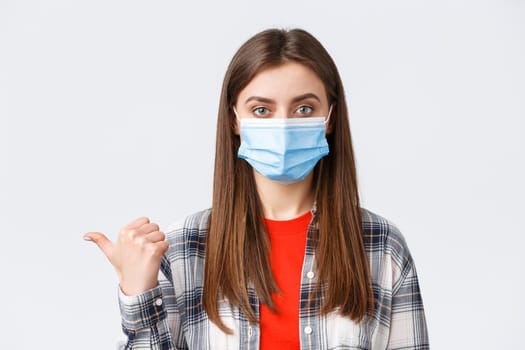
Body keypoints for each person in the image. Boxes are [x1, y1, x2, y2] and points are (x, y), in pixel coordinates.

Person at [84, 28, 429, 349]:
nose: (281, 125)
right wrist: (138, 291)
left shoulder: (381, 246)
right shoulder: (183, 249)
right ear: (234, 119)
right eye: (261, 109)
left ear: (330, 118)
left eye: (304, 108)